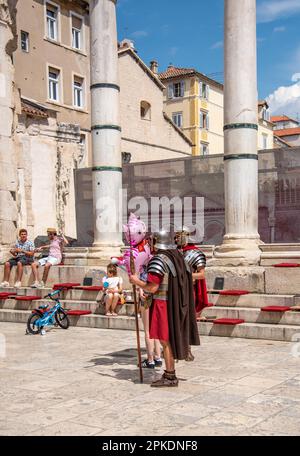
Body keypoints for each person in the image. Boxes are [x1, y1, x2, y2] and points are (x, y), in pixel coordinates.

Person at [130, 230, 200, 387]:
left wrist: (136, 281)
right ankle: (170, 372)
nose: (150, 244)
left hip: (164, 304)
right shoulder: (179, 257)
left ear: (157, 242)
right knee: (166, 339)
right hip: (177, 303)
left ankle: (170, 375)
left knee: (164, 340)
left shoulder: (159, 260)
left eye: (152, 241)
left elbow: (153, 287)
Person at [175, 226, 208, 321]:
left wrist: (187, 275)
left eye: (178, 236)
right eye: (176, 237)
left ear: (186, 236)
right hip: (176, 287)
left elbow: (202, 275)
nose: (176, 239)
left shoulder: (196, 253)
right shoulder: (175, 252)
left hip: (189, 288)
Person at [139, 265, 162, 369]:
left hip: (147, 296)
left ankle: (150, 359)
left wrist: (139, 289)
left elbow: (143, 282)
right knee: (155, 330)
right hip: (159, 298)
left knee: (148, 331)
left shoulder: (147, 265)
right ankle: (158, 356)